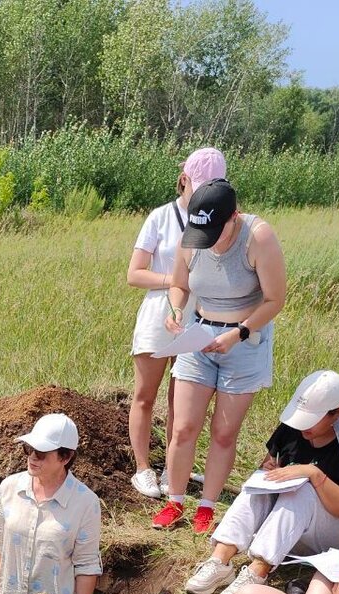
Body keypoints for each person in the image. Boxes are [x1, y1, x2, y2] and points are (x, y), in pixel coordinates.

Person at [154, 179, 286, 534]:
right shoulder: (193, 236)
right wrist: (177, 310)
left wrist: (238, 333)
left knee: (224, 432)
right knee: (183, 427)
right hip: (198, 337)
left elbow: (275, 299)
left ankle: (207, 506)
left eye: (216, 231)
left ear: (234, 217)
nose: (208, 240)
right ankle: (175, 501)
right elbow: (180, 286)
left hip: (244, 340)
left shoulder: (258, 237)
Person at [185, 371, 339, 594]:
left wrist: (314, 475)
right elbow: (270, 463)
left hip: (337, 535)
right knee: (262, 481)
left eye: (312, 419)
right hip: (288, 529)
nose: (303, 426)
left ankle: (258, 571)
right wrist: (270, 469)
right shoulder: (292, 428)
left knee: (303, 489)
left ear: (338, 413)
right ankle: (220, 559)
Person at [127, 146, 226, 499]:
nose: (203, 194)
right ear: (183, 180)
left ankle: (173, 468)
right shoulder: (160, 217)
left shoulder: (222, 218)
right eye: (198, 186)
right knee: (145, 396)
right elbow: (134, 274)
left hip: (200, 319)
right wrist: (177, 281)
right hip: (160, 313)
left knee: (180, 401)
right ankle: (142, 468)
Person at [0, 414, 101, 594]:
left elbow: (86, 566)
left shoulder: (86, 503)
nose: (32, 457)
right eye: (29, 449)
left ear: (65, 457)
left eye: (42, 453)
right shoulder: (9, 488)